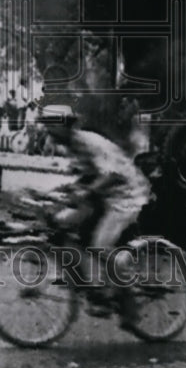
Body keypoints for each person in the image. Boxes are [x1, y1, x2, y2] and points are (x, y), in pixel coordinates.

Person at [40, 105, 151, 320]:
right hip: (102, 198)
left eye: (51, 127)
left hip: (125, 196)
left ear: (65, 126)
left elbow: (111, 175)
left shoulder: (87, 142)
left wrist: (86, 192)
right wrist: (57, 193)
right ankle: (89, 289)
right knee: (58, 225)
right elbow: (86, 177)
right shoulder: (72, 146)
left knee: (99, 246)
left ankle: (126, 296)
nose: (49, 132)